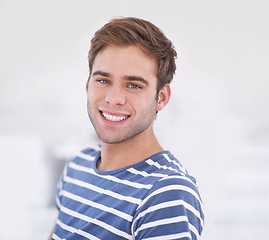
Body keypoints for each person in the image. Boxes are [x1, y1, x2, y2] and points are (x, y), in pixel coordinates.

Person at [49, 17, 204, 240]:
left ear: (161, 97)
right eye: (103, 80)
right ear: (87, 85)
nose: (114, 99)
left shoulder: (167, 193)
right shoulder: (77, 166)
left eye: (133, 85)